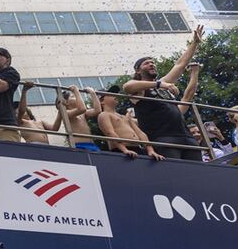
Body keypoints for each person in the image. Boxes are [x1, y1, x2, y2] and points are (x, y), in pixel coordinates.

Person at [121, 25, 205, 160]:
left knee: (197, 176)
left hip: (187, 138)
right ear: (138, 71)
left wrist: (195, 43)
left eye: (153, 63)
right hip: (164, 139)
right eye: (146, 63)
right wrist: (160, 84)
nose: (152, 64)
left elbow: (180, 64)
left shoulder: (163, 84)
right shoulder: (141, 89)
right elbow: (127, 87)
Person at [96, 85, 164, 160]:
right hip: (121, 151)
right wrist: (125, 150)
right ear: (101, 101)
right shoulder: (104, 115)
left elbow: (140, 133)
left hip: (138, 149)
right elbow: (110, 133)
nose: (115, 95)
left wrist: (150, 150)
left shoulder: (125, 117)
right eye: (110, 94)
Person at [65, 85, 102, 151]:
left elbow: (97, 110)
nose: (77, 97)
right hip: (79, 145)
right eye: (73, 96)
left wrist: (93, 93)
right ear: (66, 103)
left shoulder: (82, 113)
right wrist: (76, 91)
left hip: (91, 145)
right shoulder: (67, 113)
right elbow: (82, 109)